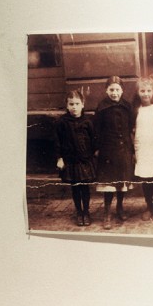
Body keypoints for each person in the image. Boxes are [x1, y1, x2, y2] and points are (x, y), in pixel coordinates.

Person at [94, 76, 134, 229]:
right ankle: (107, 213)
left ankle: (120, 207)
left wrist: (130, 148)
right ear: (106, 90)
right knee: (109, 184)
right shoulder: (102, 108)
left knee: (121, 182)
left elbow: (130, 127)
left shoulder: (127, 107)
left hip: (124, 149)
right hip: (108, 151)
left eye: (117, 89)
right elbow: (97, 129)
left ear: (122, 90)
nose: (114, 93)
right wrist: (97, 148)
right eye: (111, 89)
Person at [56, 90, 96, 227]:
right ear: (67, 106)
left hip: (84, 160)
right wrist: (60, 158)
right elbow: (58, 142)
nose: (74, 107)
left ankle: (86, 212)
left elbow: (93, 140)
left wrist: (92, 155)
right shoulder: (62, 122)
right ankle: (79, 211)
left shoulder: (87, 121)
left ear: (83, 104)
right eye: (71, 104)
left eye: (77, 104)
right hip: (71, 160)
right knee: (75, 187)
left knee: (85, 187)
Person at [132, 76, 153, 220]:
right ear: (138, 92)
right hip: (142, 148)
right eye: (142, 91)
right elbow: (132, 132)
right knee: (146, 178)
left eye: (148, 91)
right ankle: (149, 206)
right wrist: (133, 151)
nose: (145, 94)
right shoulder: (135, 111)